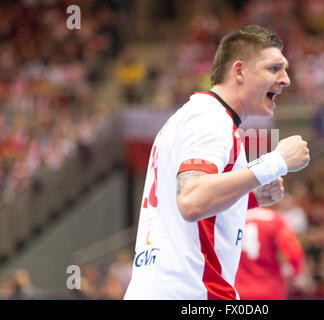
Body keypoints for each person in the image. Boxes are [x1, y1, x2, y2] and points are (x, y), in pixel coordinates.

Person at [124, 25, 310, 300]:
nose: (285, 79)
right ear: (239, 71)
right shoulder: (211, 119)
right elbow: (191, 200)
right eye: (273, 68)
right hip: (191, 294)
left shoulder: (198, 116)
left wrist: (249, 196)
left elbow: (188, 204)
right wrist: (275, 161)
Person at [235, 207, 305, 300]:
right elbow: (294, 253)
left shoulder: (235, 218)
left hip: (237, 291)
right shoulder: (275, 219)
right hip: (269, 290)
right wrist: (294, 276)